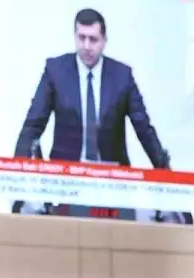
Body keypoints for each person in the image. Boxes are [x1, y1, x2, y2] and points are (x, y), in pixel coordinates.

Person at [14, 8, 170, 169]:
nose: (86, 46)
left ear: (104, 41)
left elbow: (143, 127)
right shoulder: (55, 71)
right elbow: (33, 124)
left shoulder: (122, 76)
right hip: (66, 172)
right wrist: (18, 170)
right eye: (81, 38)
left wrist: (165, 170)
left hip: (112, 173)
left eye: (93, 39)